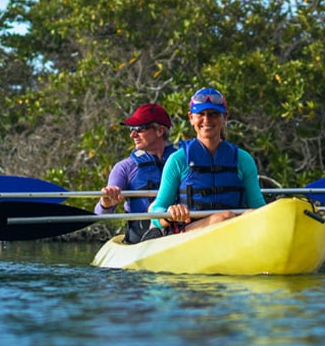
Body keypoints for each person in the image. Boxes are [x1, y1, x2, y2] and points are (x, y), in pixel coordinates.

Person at [143, 87, 266, 240]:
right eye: (201, 114)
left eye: (214, 114)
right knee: (224, 217)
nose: (207, 120)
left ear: (225, 118)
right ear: (191, 118)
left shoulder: (243, 159)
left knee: (249, 214)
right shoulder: (178, 160)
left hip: (235, 234)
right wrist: (170, 214)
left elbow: (258, 206)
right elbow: (155, 209)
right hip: (190, 236)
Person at [94, 103, 177, 244]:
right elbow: (100, 216)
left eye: (139, 129)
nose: (132, 134)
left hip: (179, 234)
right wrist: (106, 203)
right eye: (132, 129)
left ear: (160, 131)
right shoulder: (124, 168)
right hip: (140, 241)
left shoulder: (182, 161)